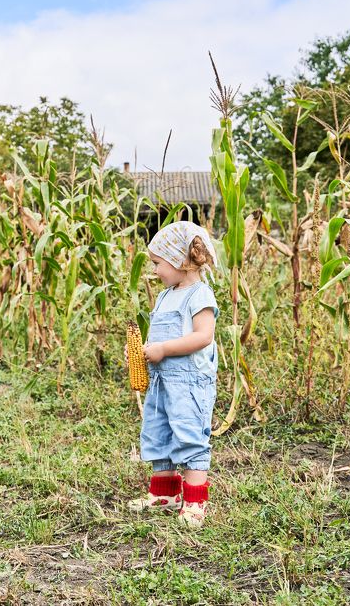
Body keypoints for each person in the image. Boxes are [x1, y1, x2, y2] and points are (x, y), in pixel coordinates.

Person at [127, 221, 218, 527]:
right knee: (158, 433)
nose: (154, 271)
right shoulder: (167, 295)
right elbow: (158, 339)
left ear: (179, 260)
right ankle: (165, 494)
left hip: (190, 383)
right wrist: (141, 352)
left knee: (190, 436)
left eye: (157, 263)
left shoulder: (199, 295)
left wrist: (163, 349)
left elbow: (203, 336)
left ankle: (194, 501)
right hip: (162, 381)